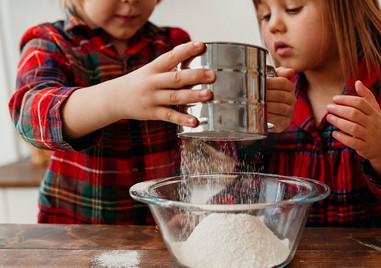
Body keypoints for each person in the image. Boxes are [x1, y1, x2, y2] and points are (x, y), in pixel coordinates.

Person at [9, 0, 296, 225]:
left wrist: (254, 112)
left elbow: (203, 127)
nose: (131, 0)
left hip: (164, 227)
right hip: (79, 232)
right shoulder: (50, 41)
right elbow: (29, 116)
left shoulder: (172, 44)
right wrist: (116, 99)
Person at [252, 0, 381, 227]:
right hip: (292, 258)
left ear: (351, 11)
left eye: (293, 8)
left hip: (378, 260)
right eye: (265, 15)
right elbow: (237, 191)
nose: (274, 25)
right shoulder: (265, 102)